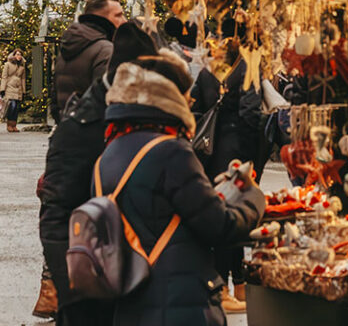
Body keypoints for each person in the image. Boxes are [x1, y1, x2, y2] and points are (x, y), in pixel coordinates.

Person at [98, 49, 265, 326]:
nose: (191, 99)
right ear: (168, 95)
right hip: (179, 305)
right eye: (185, 91)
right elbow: (219, 226)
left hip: (130, 305)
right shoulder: (171, 152)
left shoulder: (109, 154)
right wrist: (252, 197)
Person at [39, 20, 156, 326]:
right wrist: (74, 290)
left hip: (136, 282)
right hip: (90, 291)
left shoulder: (138, 116)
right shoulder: (79, 127)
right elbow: (55, 216)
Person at [191, 35, 266, 314]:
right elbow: (251, 114)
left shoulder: (207, 71)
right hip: (235, 153)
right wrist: (252, 157)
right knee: (234, 219)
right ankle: (226, 288)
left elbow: (195, 108)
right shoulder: (246, 67)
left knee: (225, 214)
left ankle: (237, 287)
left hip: (211, 154)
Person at [51, 0, 126, 121]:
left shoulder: (68, 45)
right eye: (118, 15)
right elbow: (106, 102)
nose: (124, 20)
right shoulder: (105, 49)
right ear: (103, 18)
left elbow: (54, 101)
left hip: (68, 130)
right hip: (94, 134)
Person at [0, 48, 26, 132]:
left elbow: (23, 79)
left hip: (18, 89)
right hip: (9, 87)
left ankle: (14, 125)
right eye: (17, 54)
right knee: (12, 106)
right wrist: (2, 89)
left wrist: (24, 90)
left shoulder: (22, 67)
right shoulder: (8, 64)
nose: (19, 56)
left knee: (16, 108)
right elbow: (4, 77)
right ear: (14, 55)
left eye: (20, 55)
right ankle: (9, 124)